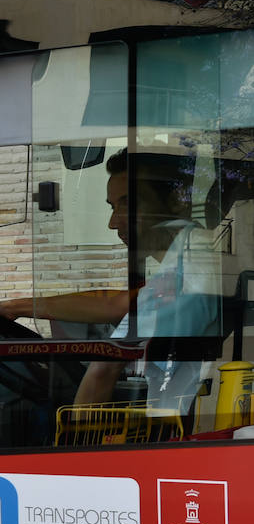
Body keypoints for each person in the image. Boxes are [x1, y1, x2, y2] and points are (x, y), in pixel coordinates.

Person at [72, 150, 220, 409]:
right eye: (113, 207)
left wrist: (71, 442)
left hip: (189, 434)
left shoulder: (189, 268)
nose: (113, 222)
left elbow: (104, 369)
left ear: (176, 201)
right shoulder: (181, 261)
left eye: (128, 204)